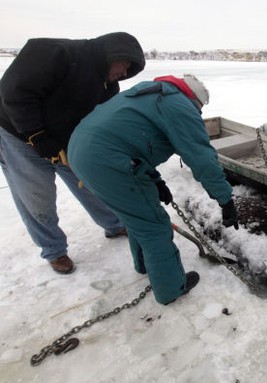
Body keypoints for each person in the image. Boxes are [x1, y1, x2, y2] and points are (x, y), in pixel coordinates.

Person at [68, 74, 239, 305]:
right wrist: (225, 199)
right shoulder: (180, 106)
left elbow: (133, 141)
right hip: (109, 163)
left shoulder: (150, 92)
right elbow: (202, 158)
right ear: (195, 101)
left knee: (137, 216)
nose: (198, 114)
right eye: (199, 109)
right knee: (155, 228)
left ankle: (144, 265)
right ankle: (171, 288)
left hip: (83, 152)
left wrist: (155, 179)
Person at [0, 32, 146, 274]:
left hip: (64, 139)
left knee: (89, 181)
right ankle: (54, 250)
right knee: (36, 196)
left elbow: (103, 123)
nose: (124, 72)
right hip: (17, 134)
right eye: (125, 65)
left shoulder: (108, 86)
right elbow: (14, 93)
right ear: (114, 53)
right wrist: (36, 136)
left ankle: (113, 223)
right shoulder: (55, 52)